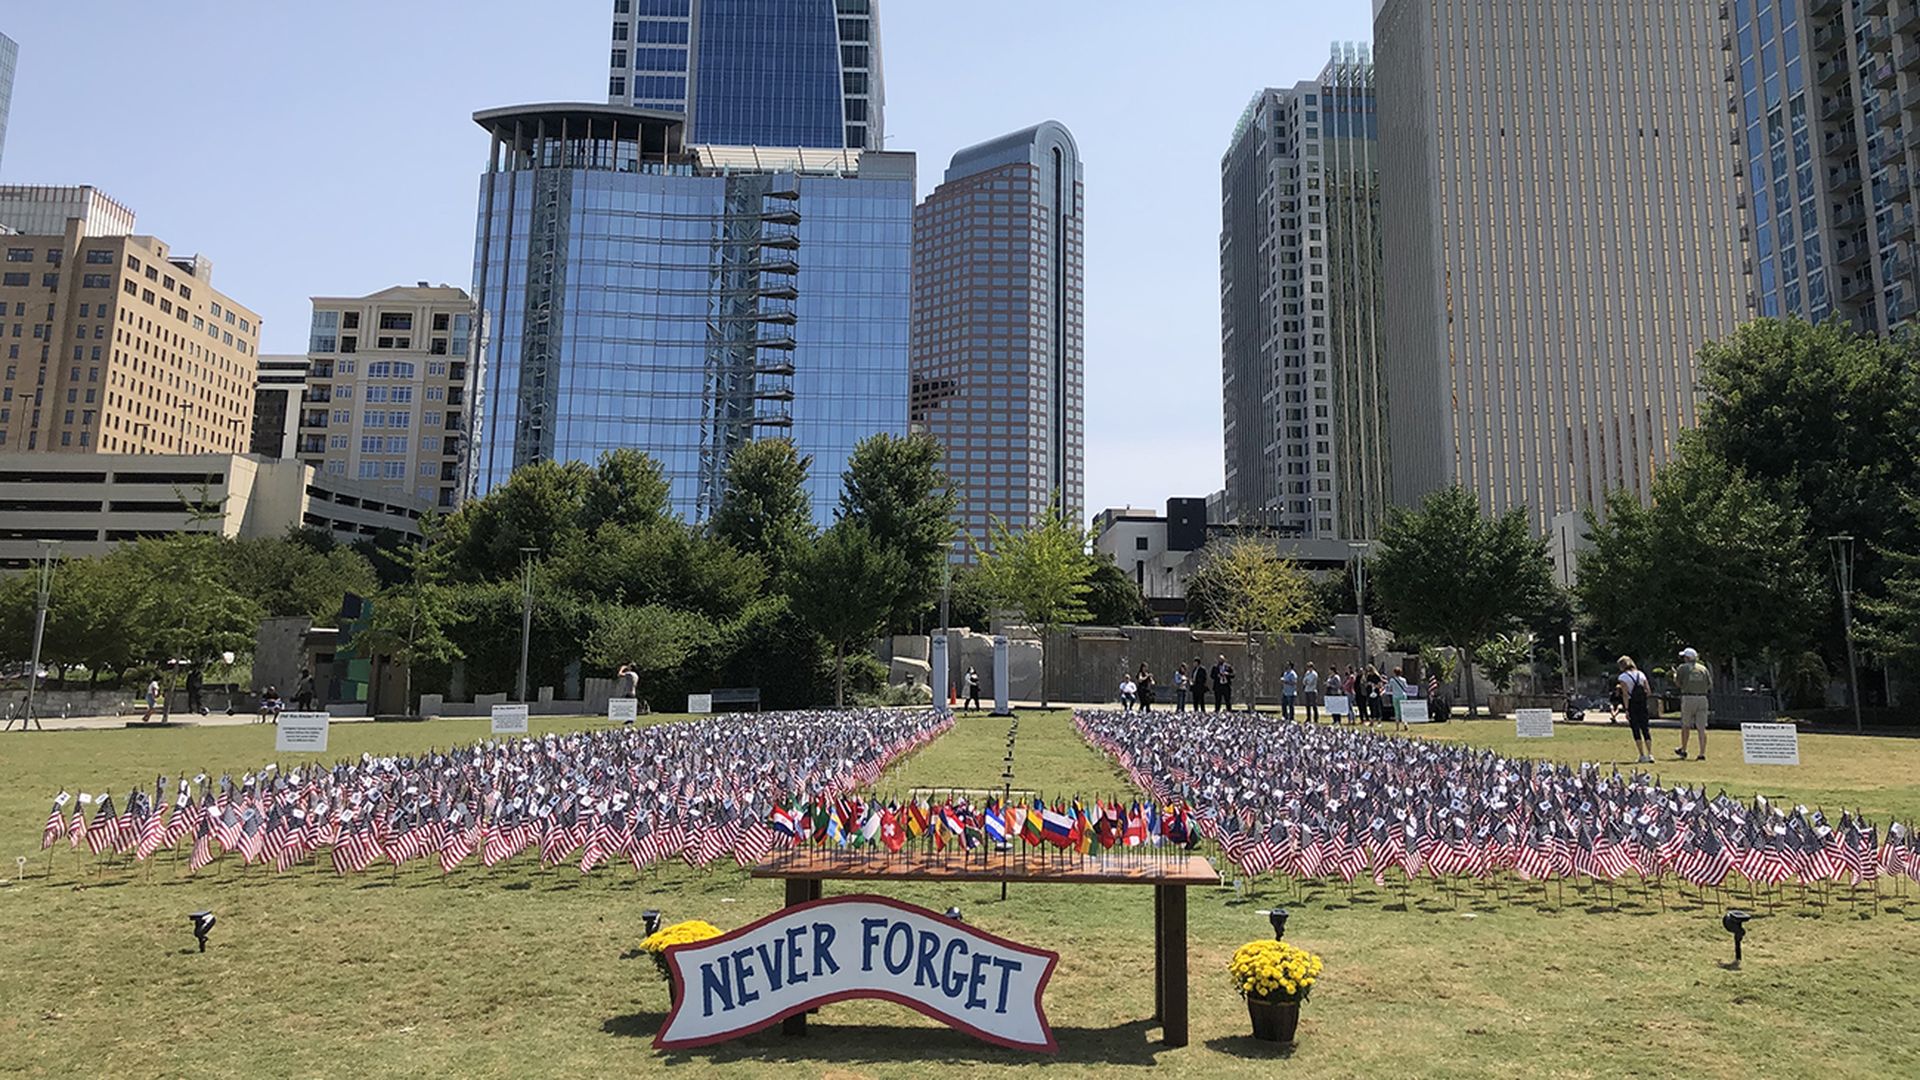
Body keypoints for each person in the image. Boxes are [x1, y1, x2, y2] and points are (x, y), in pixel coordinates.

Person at [1673, 647, 1712, 760]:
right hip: (1702, 698)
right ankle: (1702, 753)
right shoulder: (1703, 669)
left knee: (1686, 725)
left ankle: (1684, 749)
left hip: (1688, 697)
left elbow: (1678, 683)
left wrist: (1675, 676)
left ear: (1688, 658)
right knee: (1701, 728)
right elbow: (1709, 684)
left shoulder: (1682, 668)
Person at [1617, 656, 1654, 763]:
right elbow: (1648, 690)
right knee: (1645, 728)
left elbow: (1625, 694)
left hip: (1632, 703)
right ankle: (1650, 753)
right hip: (1642, 703)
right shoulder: (1641, 674)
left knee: (1636, 729)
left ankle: (1642, 754)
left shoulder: (1623, 677)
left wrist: (1626, 709)